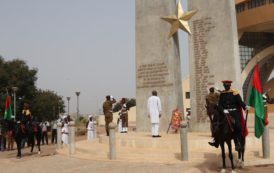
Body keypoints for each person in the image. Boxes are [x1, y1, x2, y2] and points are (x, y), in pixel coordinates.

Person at [209, 80, 249, 150]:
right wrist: (223, 110)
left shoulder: (235, 93)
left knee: (238, 126)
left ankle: (238, 143)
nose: (226, 87)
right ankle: (216, 140)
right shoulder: (222, 94)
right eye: (225, 86)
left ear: (230, 86)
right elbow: (220, 105)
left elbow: (240, 102)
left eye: (227, 86)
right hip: (225, 113)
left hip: (233, 112)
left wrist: (245, 106)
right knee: (217, 124)